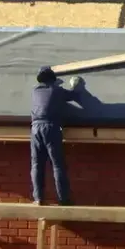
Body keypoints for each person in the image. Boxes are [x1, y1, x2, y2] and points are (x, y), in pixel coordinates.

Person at [30, 66, 85, 206]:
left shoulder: (35, 91)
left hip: (35, 128)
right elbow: (74, 95)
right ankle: (63, 199)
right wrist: (75, 86)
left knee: (37, 164)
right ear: (53, 80)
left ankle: (38, 199)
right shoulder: (57, 91)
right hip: (50, 127)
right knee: (57, 165)